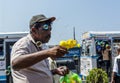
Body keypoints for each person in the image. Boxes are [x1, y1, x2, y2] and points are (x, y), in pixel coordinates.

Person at [10, 14, 69, 83]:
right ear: (34, 30)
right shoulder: (24, 43)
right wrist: (48, 52)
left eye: (50, 28)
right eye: (45, 27)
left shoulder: (42, 46)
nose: (49, 32)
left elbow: (38, 72)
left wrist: (55, 71)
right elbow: (15, 64)